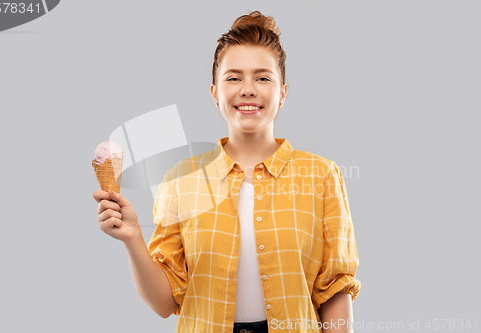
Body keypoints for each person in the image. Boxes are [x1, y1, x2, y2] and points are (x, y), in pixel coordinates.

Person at [93, 10, 361, 333]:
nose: (247, 89)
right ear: (214, 93)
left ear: (284, 92)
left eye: (263, 77)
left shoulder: (322, 175)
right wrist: (133, 237)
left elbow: (335, 292)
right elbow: (164, 303)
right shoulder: (181, 181)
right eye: (233, 77)